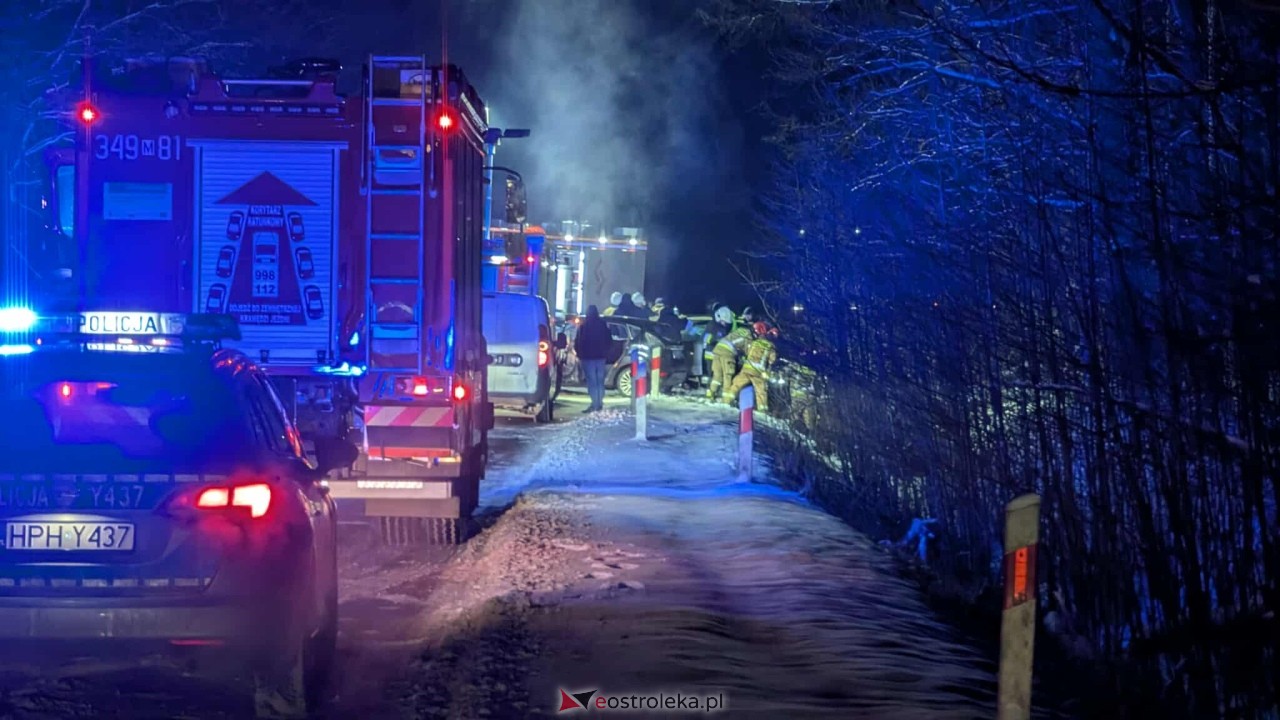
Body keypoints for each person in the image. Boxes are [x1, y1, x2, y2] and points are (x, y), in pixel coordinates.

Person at [727, 322, 779, 413]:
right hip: (758, 372)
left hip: (746, 368)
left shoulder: (755, 342)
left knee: (736, 385)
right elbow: (772, 360)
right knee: (761, 392)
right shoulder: (771, 346)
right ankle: (763, 411)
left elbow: (748, 352)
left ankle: (726, 401)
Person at [574, 304, 611, 413]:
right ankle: (599, 402)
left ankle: (594, 403)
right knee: (599, 381)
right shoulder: (602, 325)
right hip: (600, 357)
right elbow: (609, 339)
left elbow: (579, 341)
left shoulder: (584, 325)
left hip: (588, 357)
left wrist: (579, 353)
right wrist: (606, 352)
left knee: (592, 381)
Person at [709, 318, 755, 401]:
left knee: (717, 375)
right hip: (728, 353)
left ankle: (711, 394)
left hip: (718, 349)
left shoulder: (740, 330)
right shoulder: (749, 337)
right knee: (728, 375)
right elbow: (748, 352)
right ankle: (726, 400)